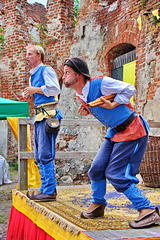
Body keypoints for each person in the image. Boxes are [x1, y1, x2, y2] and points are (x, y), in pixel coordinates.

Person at [62, 57, 160, 228]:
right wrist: (89, 112)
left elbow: (130, 89)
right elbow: (101, 108)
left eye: (67, 72)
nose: (63, 76)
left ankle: (147, 210)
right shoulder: (80, 94)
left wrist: (113, 103)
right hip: (114, 132)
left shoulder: (101, 83)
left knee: (116, 173)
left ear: (78, 74)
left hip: (131, 128)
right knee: (96, 169)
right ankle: (98, 204)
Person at [22, 44, 63, 201]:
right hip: (40, 115)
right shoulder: (33, 75)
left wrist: (35, 89)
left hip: (48, 115)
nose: (27, 56)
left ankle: (49, 190)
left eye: (30, 53)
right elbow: (42, 93)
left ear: (39, 55)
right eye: (26, 54)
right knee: (39, 155)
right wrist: (30, 94)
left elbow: (54, 89)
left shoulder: (46, 69)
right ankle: (46, 189)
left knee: (45, 153)